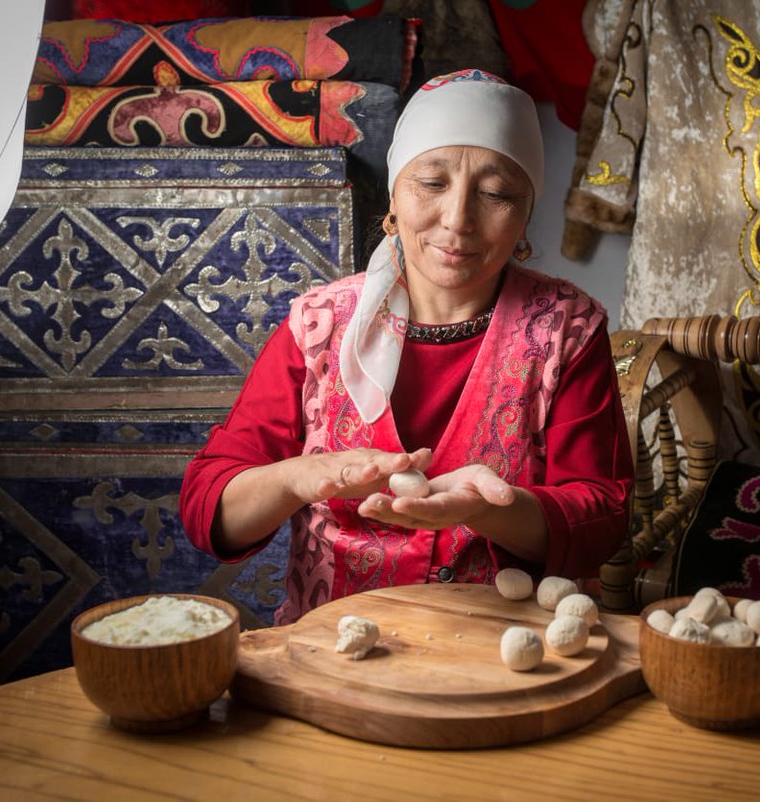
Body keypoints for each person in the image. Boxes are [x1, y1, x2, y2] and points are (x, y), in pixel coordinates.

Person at [180, 69, 634, 624]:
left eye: (496, 194)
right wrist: (300, 476)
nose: (458, 219)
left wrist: (491, 510)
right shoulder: (317, 327)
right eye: (432, 183)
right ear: (393, 199)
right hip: (333, 658)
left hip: (506, 656)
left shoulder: (568, 330)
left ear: (525, 219)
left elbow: (601, 519)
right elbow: (208, 509)